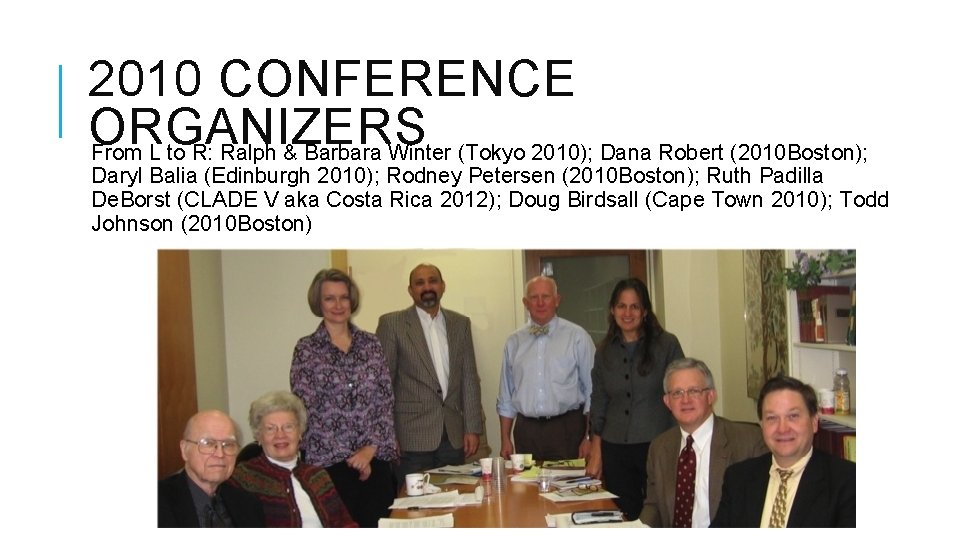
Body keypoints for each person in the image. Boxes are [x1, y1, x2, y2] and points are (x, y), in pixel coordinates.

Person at [290, 269, 399, 528]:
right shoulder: (306, 349)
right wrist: (352, 460)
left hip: (376, 460)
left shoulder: (371, 344)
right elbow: (305, 411)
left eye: (344, 298)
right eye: (330, 298)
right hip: (329, 467)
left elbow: (385, 402)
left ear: (352, 301)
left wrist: (369, 451)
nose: (338, 305)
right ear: (319, 302)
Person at [585, 277, 686, 520]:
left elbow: (681, 392)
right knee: (623, 514)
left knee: (660, 511)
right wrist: (596, 450)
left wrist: (680, 443)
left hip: (657, 443)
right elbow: (599, 401)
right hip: (615, 447)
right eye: (621, 306)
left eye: (634, 306)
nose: (627, 313)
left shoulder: (667, 344)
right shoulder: (603, 351)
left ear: (645, 311)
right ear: (612, 310)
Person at [376, 263, 484, 480]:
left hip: (453, 437)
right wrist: (387, 434)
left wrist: (472, 428)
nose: (427, 287)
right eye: (419, 282)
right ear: (410, 290)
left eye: (433, 281)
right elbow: (382, 383)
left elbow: (469, 378)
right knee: (414, 507)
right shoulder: (392, 323)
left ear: (443, 286)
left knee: (455, 500)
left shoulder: (460, 323)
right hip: (411, 438)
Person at [711, 376, 856, 527]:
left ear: (814, 423)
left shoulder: (848, 482)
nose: (782, 429)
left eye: (793, 416)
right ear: (762, 426)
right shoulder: (738, 478)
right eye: (772, 418)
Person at [640, 358, 767, 527]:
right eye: (677, 393)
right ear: (667, 402)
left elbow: (758, 512)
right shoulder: (659, 447)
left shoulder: (748, 442)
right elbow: (654, 506)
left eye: (693, 391)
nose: (685, 400)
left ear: (711, 396)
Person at [497, 275, 595, 461]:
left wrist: (588, 437)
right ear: (526, 303)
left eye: (546, 296)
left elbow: (592, 391)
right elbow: (506, 397)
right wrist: (505, 439)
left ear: (557, 300)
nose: (540, 303)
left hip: (567, 430)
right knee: (527, 488)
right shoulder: (513, 342)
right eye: (534, 297)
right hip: (526, 431)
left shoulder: (578, 337)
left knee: (566, 488)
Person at [229, 390, 357, 527]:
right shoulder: (244, 477)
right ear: (259, 436)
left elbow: (345, 524)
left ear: (300, 433)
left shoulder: (317, 476)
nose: (280, 435)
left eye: (288, 427)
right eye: (271, 429)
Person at [158, 410, 265, 527]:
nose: (220, 454)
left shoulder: (248, 505)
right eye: (208, 443)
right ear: (184, 450)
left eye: (228, 444)